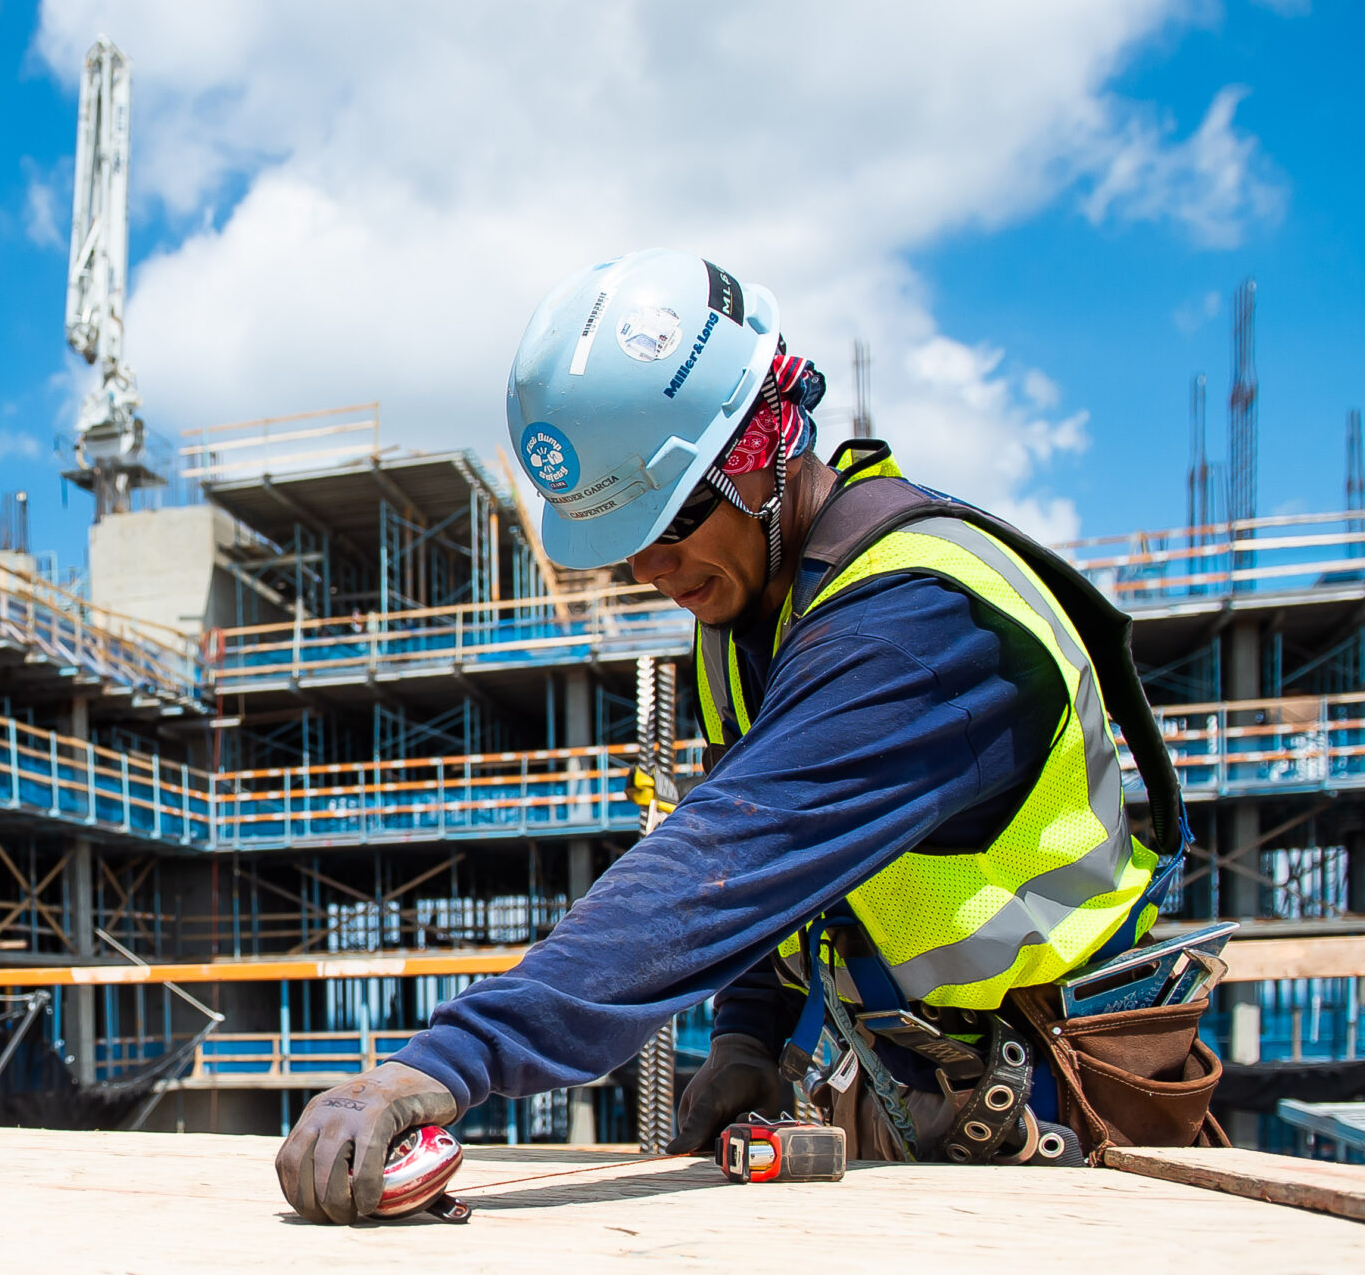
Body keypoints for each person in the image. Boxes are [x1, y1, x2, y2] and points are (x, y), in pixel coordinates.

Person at [273, 248, 1187, 1225]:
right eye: (628, 543)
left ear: (762, 449)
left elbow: (733, 857)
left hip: (1061, 1115)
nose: (656, 569)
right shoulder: (742, 628)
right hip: (919, 1102)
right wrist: (749, 1043)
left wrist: (450, 1060)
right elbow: (790, 883)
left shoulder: (919, 624)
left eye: (674, 521)